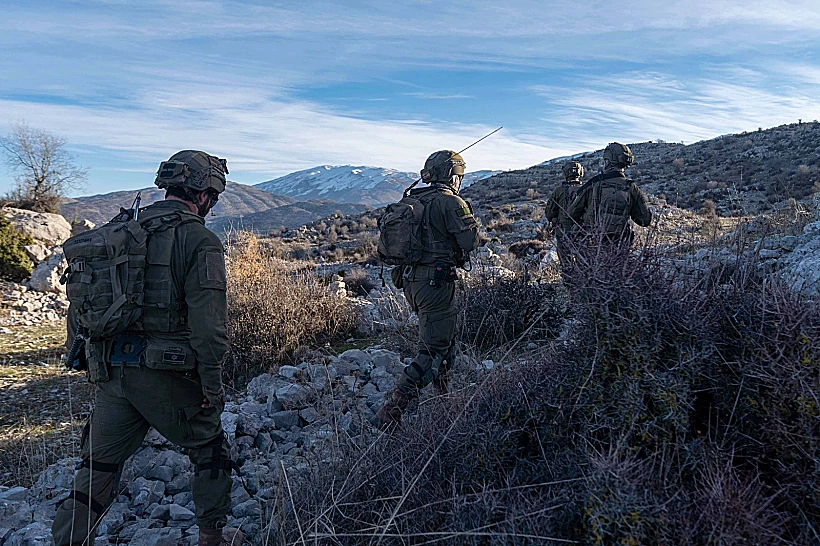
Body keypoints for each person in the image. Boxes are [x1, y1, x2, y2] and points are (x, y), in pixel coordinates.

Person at [52, 151, 243, 546]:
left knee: (98, 467)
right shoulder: (199, 239)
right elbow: (209, 327)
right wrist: (211, 384)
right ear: (205, 192)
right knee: (209, 449)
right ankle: (212, 538)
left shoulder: (123, 229)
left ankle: (67, 540)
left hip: (112, 373)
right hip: (165, 374)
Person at [375, 150, 481, 428]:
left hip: (410, 281)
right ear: (453, 176)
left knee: (443, 340)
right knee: (434, 349)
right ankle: (394, 407)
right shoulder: (450, 202)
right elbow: (470, 242)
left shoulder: (411, 199)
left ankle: (441, 399)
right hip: (435, 282)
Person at [568, 142, 652, 252]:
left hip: (590, 246)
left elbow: (572, 213)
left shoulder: (593, 184)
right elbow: (645, 220)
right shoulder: (631, 188)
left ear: (607, 161)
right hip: (618, 249)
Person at [545, 161, 585, 275]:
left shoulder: (559, 190)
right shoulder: (587, 189)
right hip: (583, 231)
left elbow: (549, 212)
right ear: (580, 172)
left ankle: (569, 285)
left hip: (563, 231)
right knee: (583, 260)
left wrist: (554, 220)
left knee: (566, 262)